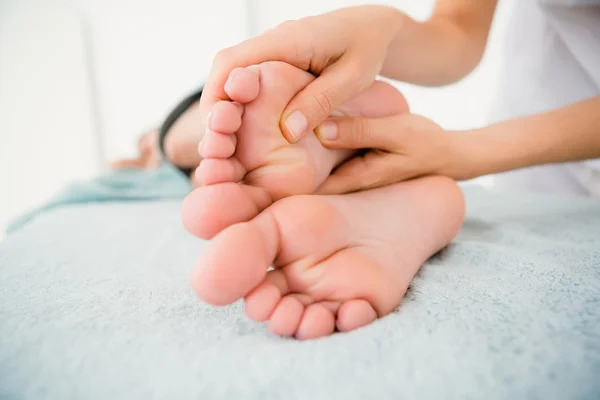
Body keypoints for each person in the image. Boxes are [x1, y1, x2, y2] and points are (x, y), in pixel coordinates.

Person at [171, 0, 599, 339]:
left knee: (180, 143)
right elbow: (460, 27)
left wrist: (465, 151)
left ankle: (179, 144)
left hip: (542, 134)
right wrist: (384, 27)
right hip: (546, 131)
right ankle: (389, 190)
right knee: (184, 143)